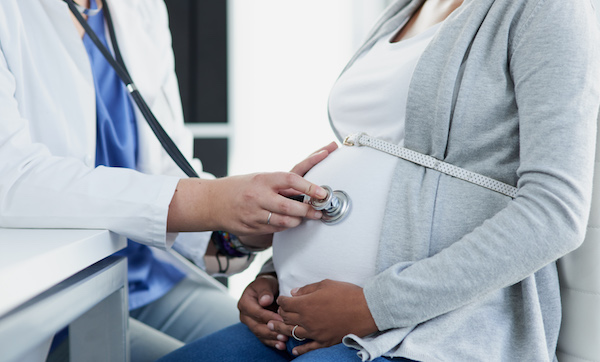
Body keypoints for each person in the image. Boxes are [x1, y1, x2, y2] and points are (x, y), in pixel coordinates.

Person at [158, 0, 600, 361]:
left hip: (431, 332)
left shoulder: (546, 8)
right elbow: (376, 167)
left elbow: (554, 212)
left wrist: (373, 306)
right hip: (302, 318)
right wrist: (279, 277)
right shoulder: (404, 9)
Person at [0, 0, 334, 361]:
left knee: (295, 350)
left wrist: (237, 232)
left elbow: (166, 165)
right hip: (53, 300)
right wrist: (211, 202)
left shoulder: (139, 8)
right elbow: (12, 179)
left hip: (152, 279)